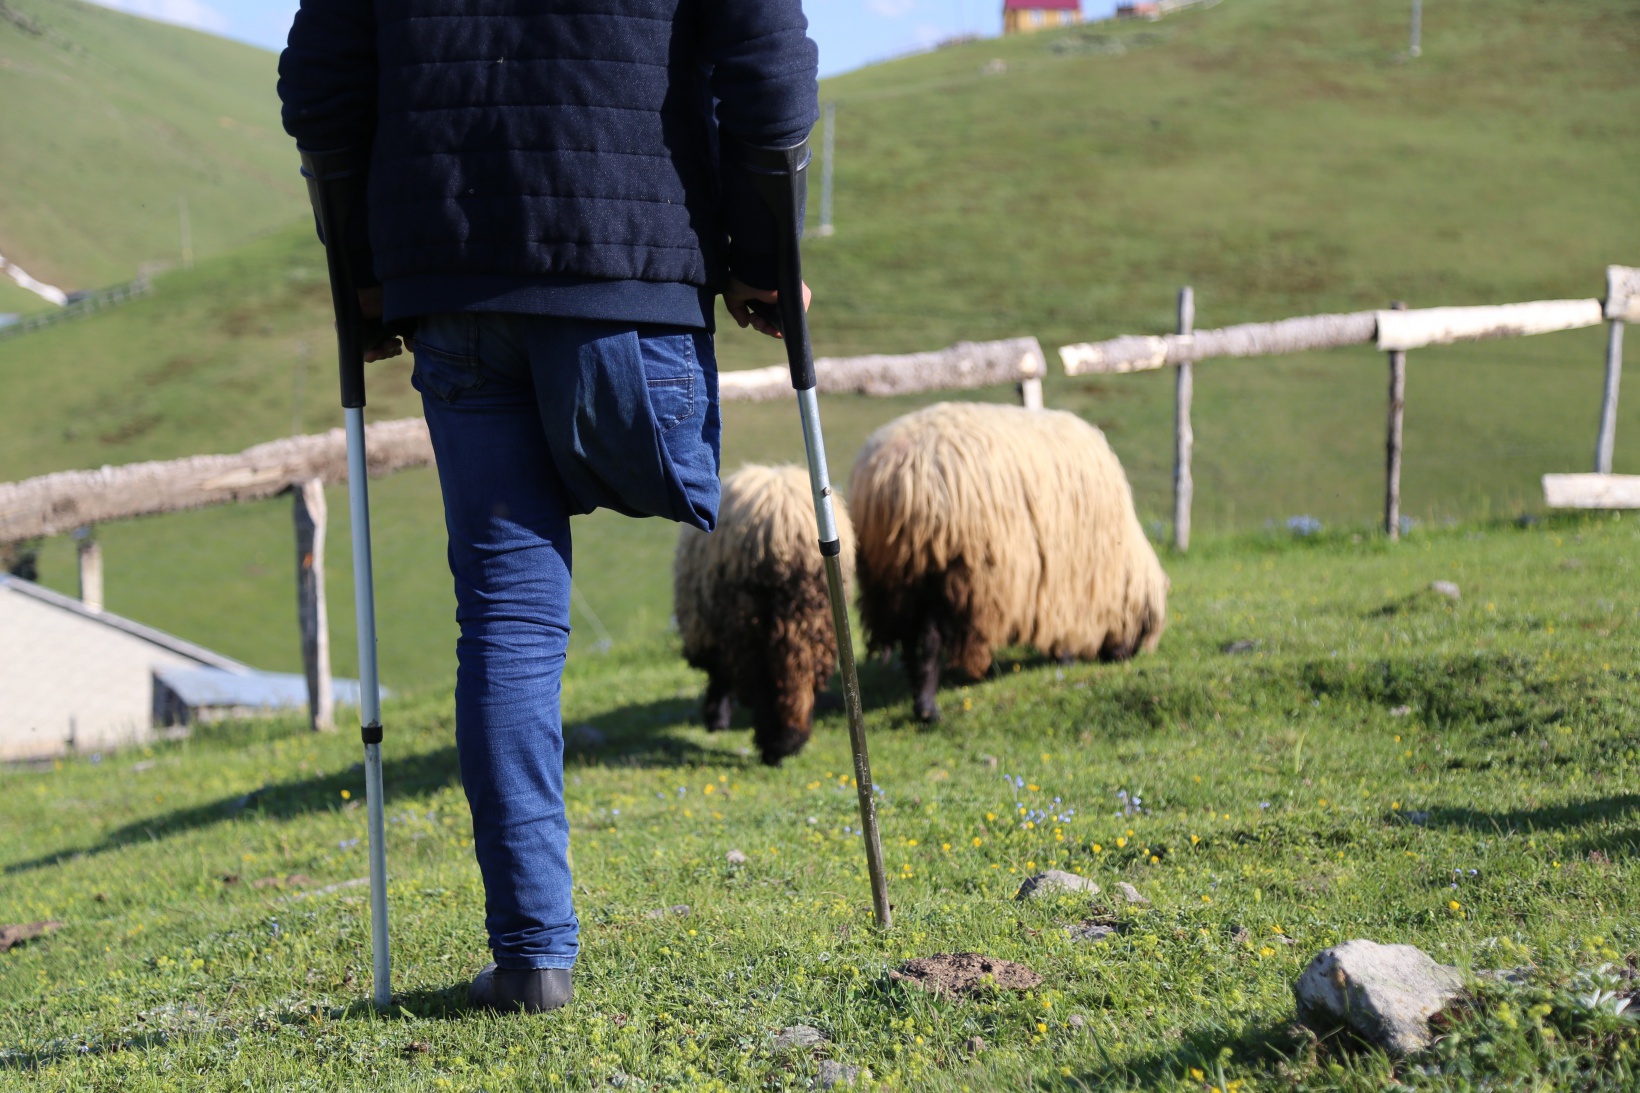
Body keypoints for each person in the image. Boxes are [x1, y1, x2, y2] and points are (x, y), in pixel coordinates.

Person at [278, 0, 818, 1013]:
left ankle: (531, 955)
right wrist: (758, 253)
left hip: (455, 273)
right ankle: (529, 950)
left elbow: (321, 84)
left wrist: (362, 275)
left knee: (506, 620)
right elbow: (768, 63)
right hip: (627, 270)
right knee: (513, 615)